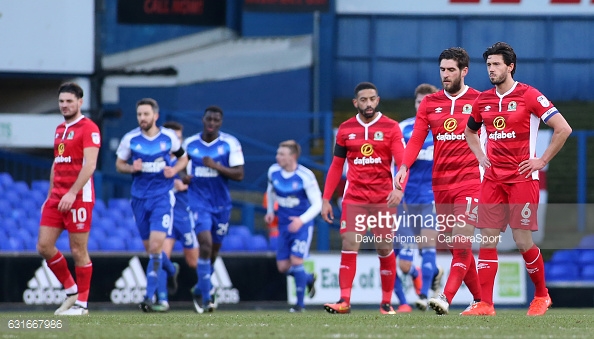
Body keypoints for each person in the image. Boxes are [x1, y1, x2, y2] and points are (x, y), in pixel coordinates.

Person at [464, 42, 572, 316]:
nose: (491, 69)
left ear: (510, 66)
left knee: (522, 241)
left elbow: (563, 129)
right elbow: (470, 132)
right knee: (487, 239)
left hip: (522, 178)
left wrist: (542, 160)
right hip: (492, 180)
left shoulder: (529, 95)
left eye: (496, 64)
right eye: (488, 65)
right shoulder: (483, 99)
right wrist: (480, 156)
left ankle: (541, 295)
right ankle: (485, 304)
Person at [395, 47, 483, 316]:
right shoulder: (430, 104)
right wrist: (403, 166)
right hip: (440, 185)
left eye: (451, 70)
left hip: (469, 180)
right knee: (458, 245)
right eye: (442, 70)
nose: (445, 75)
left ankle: (445, 296)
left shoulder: (480, 101)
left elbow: (499, 137)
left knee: (462, 240)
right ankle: (481, 301)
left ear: (464, 71)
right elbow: (416, 139)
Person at [321, 81, 406, 315]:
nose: (368, 104)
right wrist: (326, 198)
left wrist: (398, 189)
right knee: (349, 244)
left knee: (383, 247)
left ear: (377, 100)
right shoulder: (345, 129)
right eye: (363, 100)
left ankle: (386, 302)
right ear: (355, 102)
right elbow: (336, 166)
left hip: (382, 199)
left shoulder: (391, 127)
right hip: (355, 198)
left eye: (372, 99)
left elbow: (402, 163)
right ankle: (344, 300)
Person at [115, 98, 188, 312]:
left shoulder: (169, 138)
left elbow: (184, 158)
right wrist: (131, 168)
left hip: (162, 198)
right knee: (151, 252)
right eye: (139, 115)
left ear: (155, 116)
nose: (142, 118)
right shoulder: (130, 139)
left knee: (156, 247)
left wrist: (174, 171)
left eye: (146, 114)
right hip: (139, 199)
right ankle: (170, 269)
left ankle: (149, 297)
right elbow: (119, 164)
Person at [37, 82, 101, 316]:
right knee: (44, 246)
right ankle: (71, 289)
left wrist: (72, 192)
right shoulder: (59, 129)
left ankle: (82, 304)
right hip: (56, 196)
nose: (64, 105)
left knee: (78, 249)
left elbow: (90, 164)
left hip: (78, 197)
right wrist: (50, 195)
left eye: (69, 101)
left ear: (80, 102)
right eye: (61, 101)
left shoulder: (89, 128)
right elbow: (58, 162)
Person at [182, 105, 245, 313]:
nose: (211, 123)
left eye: (216, 120)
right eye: (209, 119)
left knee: (214, 251)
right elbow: (179, 168)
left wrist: (216, 166)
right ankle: (206, 298)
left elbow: (239, 174)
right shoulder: (190, 144)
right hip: (198, 202)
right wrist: (183, 176)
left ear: (220, 122)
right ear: (203, 119)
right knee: (205, 245)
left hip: (221, 204)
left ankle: (201, 285)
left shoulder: (229, 144)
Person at [393, 83, 444, 313]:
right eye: (418, 102)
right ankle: (431, 274)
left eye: (426, 102)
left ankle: (423, 296)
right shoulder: (402, 129)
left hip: (431, 197)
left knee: (427, 245)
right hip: (404, 200)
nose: (422, 106)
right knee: (404, 263)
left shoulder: (444, 130)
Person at [264, 140, 321, 312]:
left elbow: (317, 204)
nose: (277, 157)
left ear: (292, 157)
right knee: (283, 267)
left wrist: (301, 220)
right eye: (278, 153)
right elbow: (270, 190)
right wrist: (270, 211)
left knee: (297, 260)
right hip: (283, 225)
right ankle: (308, 278)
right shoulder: (273, 171)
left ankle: (299, 305)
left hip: (302, 226)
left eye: (282, 154)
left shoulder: (305, 176)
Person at [160, 121, 199, 301]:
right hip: (165, 214)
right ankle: (161, 299)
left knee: (193, 261)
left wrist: (185, 184)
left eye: (179, 137)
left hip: (184, 216)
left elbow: (199, 184)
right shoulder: (157, 159)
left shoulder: (187, 162)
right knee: (161, 257)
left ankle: (206, 290)